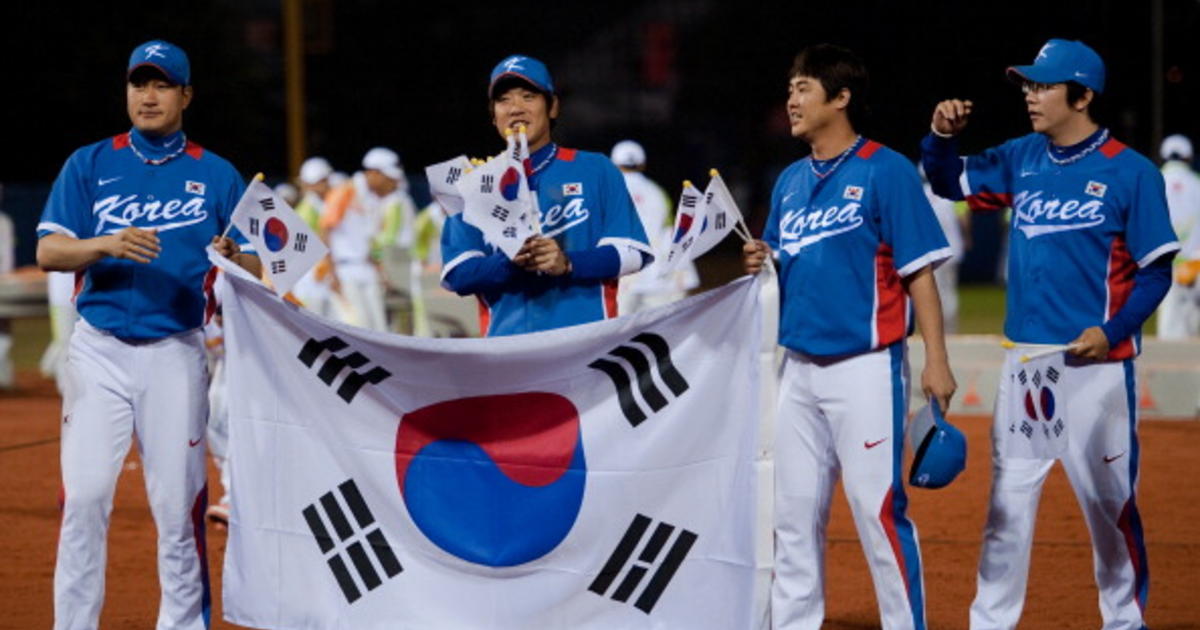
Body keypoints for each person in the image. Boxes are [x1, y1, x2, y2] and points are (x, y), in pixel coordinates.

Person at [921, 39, 1178, 630]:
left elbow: (1156, 271)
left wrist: (1112, 330)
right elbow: (944, 180)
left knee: (1110, 507)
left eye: (1044, 85)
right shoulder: (1022, 157)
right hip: (1030, 366)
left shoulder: (1131, 171)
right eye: (1028, 86)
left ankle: (1124, 621)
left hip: (1099, 369)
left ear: (1083, 95)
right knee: (1008, 505)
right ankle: (990, 621)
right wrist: (941, 135)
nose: (1031, 96)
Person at [35, 40, 260, 630]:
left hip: (175, 354)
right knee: (82, 500)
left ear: (185, 95)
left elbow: (271, 265)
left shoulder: (217, 174)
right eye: (139, 83)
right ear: (127, 91)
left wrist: (241, 256)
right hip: (98, 351)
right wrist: (103, 244)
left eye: (162, 84)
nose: (148, 95)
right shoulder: (90, 163)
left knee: (175, 508)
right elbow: (49, 250)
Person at [742, 44, 956, 629]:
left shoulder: (885, 170)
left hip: (866, 367)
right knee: (792, 514)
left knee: (878, 510)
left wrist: (936, 360)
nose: (792, 99)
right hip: (799, 369)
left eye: (804, 87)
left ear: (840, 97)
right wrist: (762, 257)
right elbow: (786, 268)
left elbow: (920, 274)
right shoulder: (789, 181)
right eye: (790, 88)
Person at [440, 55, 653, 336]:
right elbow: (458, 274)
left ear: (552, 107)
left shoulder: (595, 168)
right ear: (493, 116)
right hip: (507, 349)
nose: (515, 108)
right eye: (504, 100)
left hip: (587, 343)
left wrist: (568, 262)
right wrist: (509, 263)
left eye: (528, 96)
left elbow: (634, 253)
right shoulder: (471, 184)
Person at [610, 139, 699, 314]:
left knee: (616, 336)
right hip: (657, 275)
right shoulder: (658, 193)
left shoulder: (607, 192)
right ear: (642, 164)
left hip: (621, 274)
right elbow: (670, 233)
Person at [1157, 134, 1200, 338]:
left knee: (1169, 323)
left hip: (1162, 261)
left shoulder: (1153, 181)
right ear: (1189, 157)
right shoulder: (1197, 183)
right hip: (1194, 263)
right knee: (1190, 324)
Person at [918, 163, 970, 333]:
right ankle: (950, 331)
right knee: (949, 291)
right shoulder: (953, 192)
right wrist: (968, 237)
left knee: (932, 293)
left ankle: (935, 330)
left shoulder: (920, 193)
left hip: (930, 251)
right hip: (952, 248)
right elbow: (963, 218)